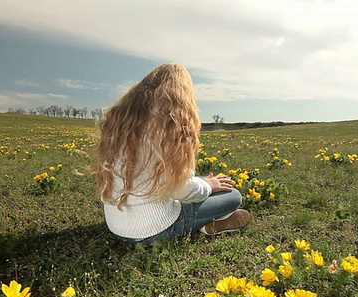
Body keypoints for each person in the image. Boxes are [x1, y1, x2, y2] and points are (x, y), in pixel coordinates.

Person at [96, 62, 250, 244]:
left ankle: (208, 217)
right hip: (154, 229)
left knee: (198, 183)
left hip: (116, 226)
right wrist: (208, 187)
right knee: (233, 196)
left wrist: (204, 182)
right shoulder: (169, 127)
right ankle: (206, 223)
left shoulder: (122, 125)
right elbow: (180, 190)